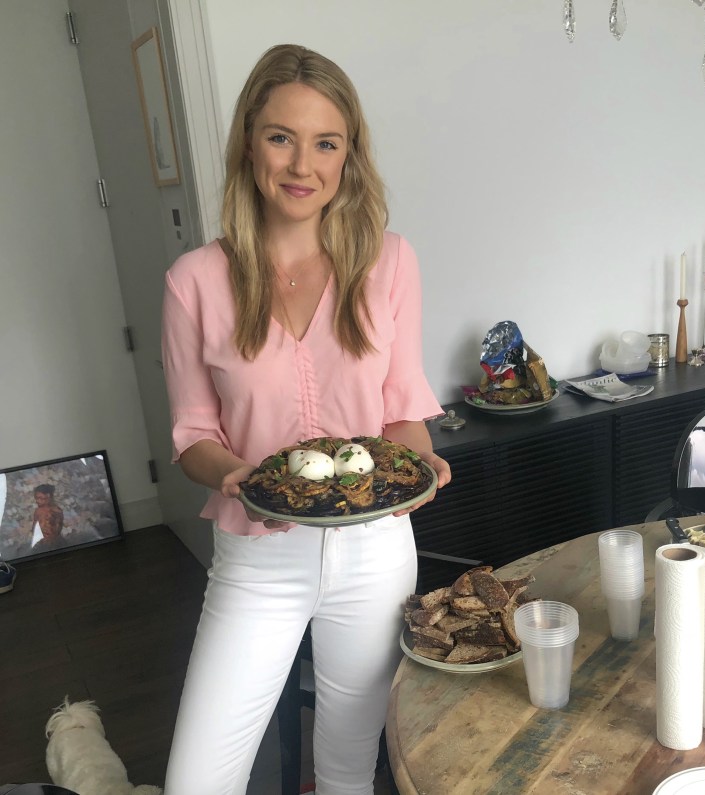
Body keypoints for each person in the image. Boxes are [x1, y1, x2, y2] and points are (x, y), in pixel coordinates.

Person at [161, 43, 451, 795]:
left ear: (348, 156)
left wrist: (416, 466)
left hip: (376, 553)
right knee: (198, 780)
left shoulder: (389, 262)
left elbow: (402, 415)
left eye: (327, 142)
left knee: (351, 768)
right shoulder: (195, 280)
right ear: (249, 143)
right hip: (258, 561)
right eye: (281, 136)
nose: (303, 165)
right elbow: (194, 434)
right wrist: (239, 477)